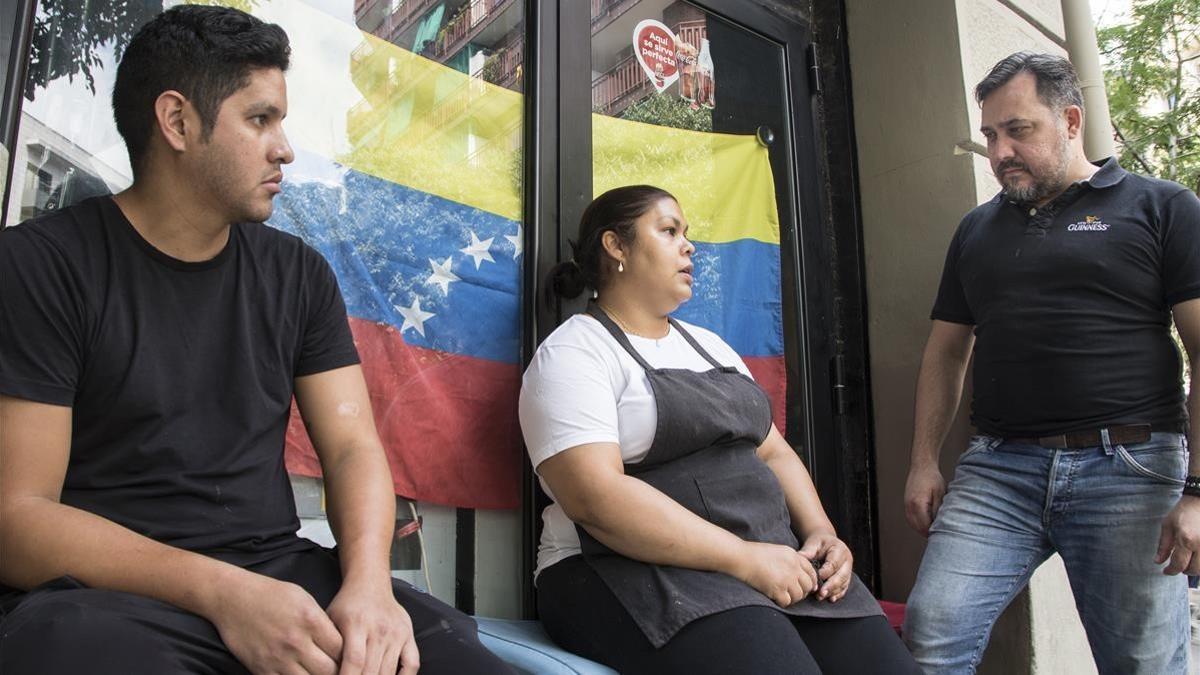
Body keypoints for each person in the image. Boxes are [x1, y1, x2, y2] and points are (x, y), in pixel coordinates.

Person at [0, 7, 514, 675]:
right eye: (259, 118)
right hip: (109, 596)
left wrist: (367, 586)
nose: (285, 148)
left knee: (448, 651)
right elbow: (17, 517)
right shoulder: (41, 266)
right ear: (177, 122)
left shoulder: (298, 275)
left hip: (277, 569)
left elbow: (354, 446)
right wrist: (224, 593)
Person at [519, 185, 918, 674]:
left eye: (687, 233)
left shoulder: (712, 347)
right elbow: (594, 498)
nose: (689, 246)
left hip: (766, 558)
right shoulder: (573, 354)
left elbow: (773, 452)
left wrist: (821, 534)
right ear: (616, 246)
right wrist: (743, 559)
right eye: (669, 231)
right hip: (622, 570)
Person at [902, 52, 1200, 674]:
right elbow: (947, 349)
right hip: (998, 470)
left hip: (1129, 469)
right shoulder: (976, 229)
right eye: (989, 135)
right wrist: (924, 461)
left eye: (1019, 130)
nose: (1000, 150)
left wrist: (1198, 491)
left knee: (1142, 663)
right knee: (932, 632)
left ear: (1070, 120)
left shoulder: (1162, 207)